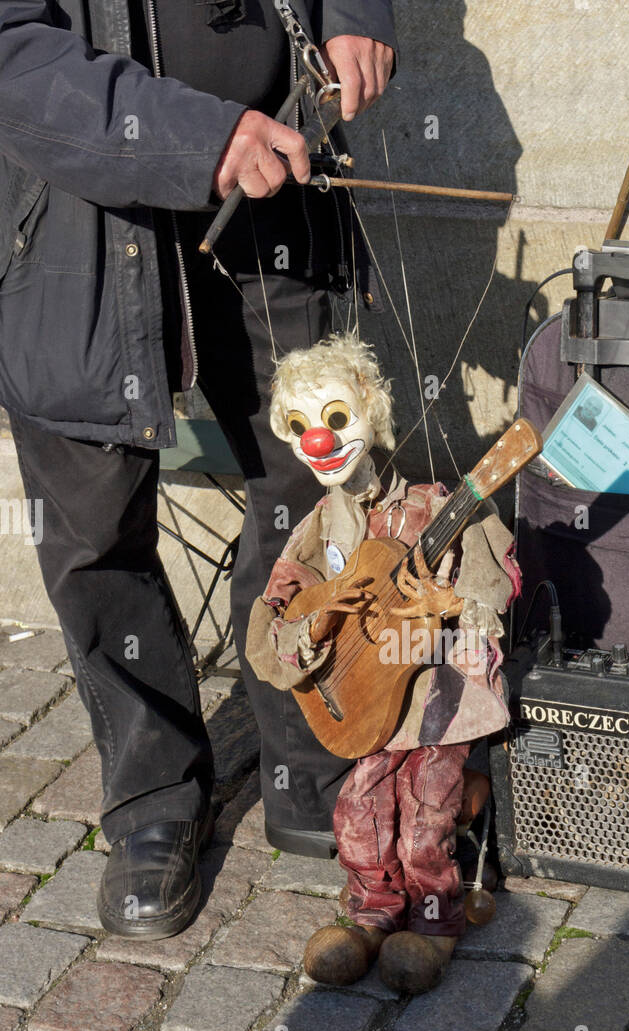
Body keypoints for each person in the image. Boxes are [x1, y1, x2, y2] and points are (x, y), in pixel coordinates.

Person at [0, 1, 396, 940]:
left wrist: (352, 9)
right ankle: (153, 796)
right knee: (94, 535)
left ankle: (311, 754)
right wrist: (194, 136)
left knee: (309, 487)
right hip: (68, 223)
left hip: (278, 187)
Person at [246, 334, 521, 995]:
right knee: (360, 805)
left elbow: (497, 579)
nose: (319, 441)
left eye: (335, 418)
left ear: (370, 408)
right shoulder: (319, 528)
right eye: (299, 426)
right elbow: (276, 612)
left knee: (426, 805)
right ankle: (372, 912)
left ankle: (433, 918)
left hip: (436, 688)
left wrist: (454, 601)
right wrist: (311, 629)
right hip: (369, 698)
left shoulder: (437, 505)